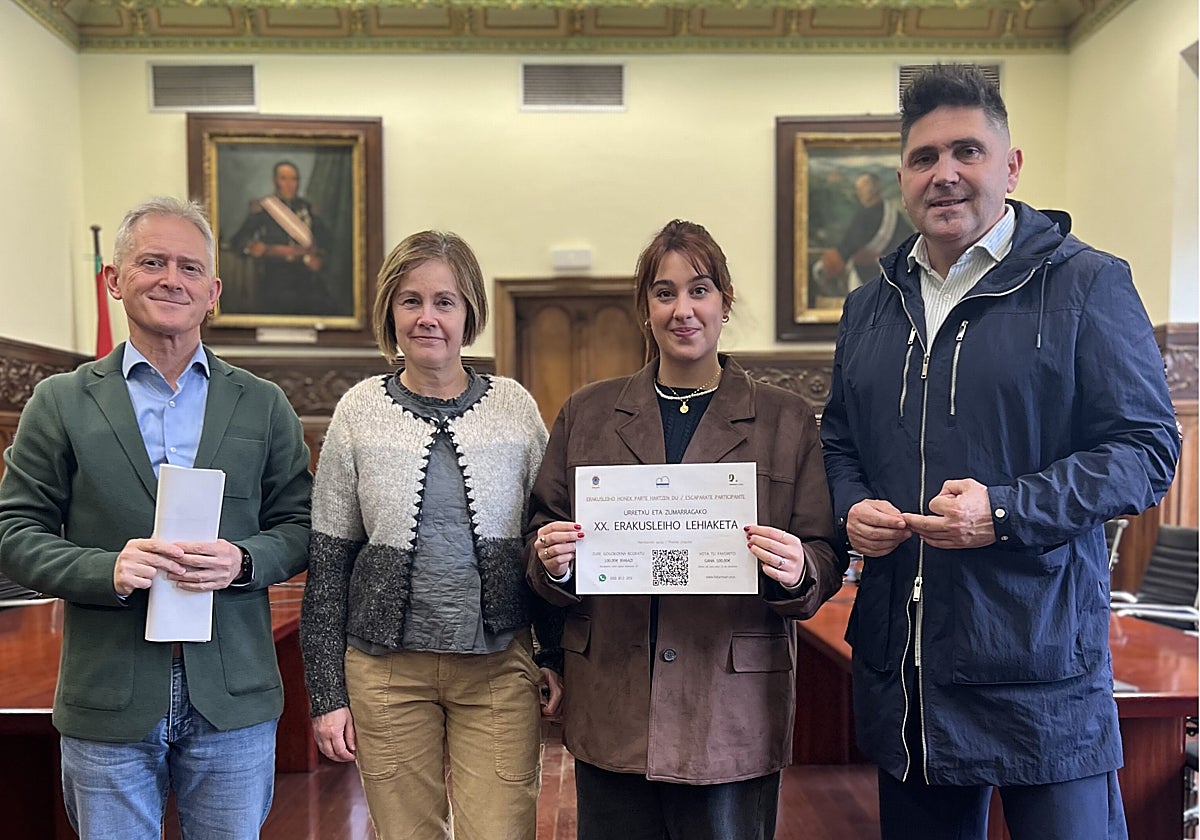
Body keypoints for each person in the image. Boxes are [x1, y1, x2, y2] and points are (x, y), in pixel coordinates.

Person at [820, 64, 1180, 840]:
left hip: (1040, 671)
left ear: (1010, 166)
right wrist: (852, 508)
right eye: (923, 158)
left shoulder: (1087, 283)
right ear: (902, 176)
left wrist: (1007, 508)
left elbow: (1147, 449)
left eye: (967, 151)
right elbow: (839, 440)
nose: (943, 174)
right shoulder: (870, 305)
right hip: (908, 674)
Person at [0, 197, 313, 839]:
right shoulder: (59, 402)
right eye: (152, 262)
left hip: (233, 696)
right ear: (115, 280)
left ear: (213, 292)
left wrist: (244, 560)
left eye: (190, 267)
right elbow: (14, 532)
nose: (172, 278)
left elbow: (302, 525)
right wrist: (106, 568)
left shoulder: (263, 405)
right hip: (107, 696)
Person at [526, 219, 845, 840]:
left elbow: (824, 554)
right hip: (614, 695)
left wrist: (798, 568)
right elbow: (539, 535)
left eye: (699, 290)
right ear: (645, 308)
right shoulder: (587, 414)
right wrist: (553, 558)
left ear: (725, 301)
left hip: (728, 704)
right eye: (664, 292)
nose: (682, 309)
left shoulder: (784, 420)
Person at [300, 230, 564, 840]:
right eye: (410, 301)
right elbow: (330, 563)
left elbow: (546, 544)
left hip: (498, 669)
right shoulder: (358, 411)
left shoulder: (516, 408)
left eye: (445, 301)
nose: (427, 318)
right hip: (385, 673)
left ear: (469, 312)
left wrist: (552, 656)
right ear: (390, 311)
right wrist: (326, 693)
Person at [227, 160, 333, 315]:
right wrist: (252, 248)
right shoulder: (264, 209)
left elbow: (327, 242)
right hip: (274, 278)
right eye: (284, 178)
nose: (290, 184)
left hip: (306, 279)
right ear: (275, 181)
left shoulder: (309, 209)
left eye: (294, 179)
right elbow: (237, 241)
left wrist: (320, 258)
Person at [810, 172, 913, 305]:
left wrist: (824, 265)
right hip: (889, 278)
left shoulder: (865, 217)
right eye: (858, 189)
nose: (859, 193)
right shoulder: (893, 215)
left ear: (875, 189)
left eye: (862, 188)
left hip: (865, 276)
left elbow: (848, 246)